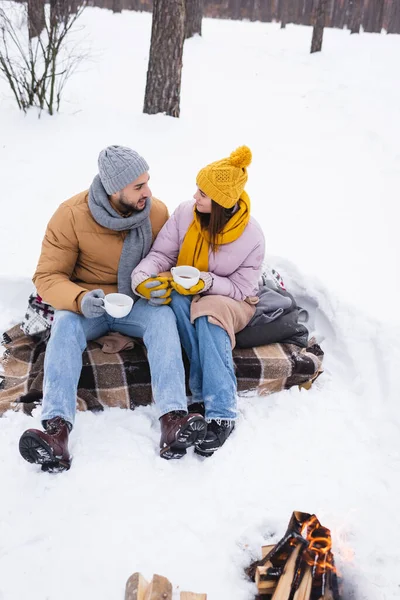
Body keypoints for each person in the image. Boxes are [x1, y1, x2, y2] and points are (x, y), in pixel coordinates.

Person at [18, 145, 207, 472]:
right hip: (87, 302)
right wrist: (78, 299)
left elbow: (172, 261)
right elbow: (48, 275)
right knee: (64, 325)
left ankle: (173, 420)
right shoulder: (71, 215)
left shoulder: (156, 212)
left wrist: (158, 284)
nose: (147, 192)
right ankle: (55, 432)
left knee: (163, 318)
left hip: (135, 301)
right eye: (138, 186)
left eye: (147, 182)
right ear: (113, 189)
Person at [131, 146, 265, 457]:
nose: (195, 196)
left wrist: (209, 282)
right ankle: (200, 393)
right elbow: (163, 254)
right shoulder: (184, 214)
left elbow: (243, 287)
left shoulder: (251, 235)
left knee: (208, 311)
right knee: (177, 301)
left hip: (233, 301)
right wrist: (141, 277)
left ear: (220, 202)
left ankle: (222, 411)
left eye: (203, 194)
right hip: (191, 293)